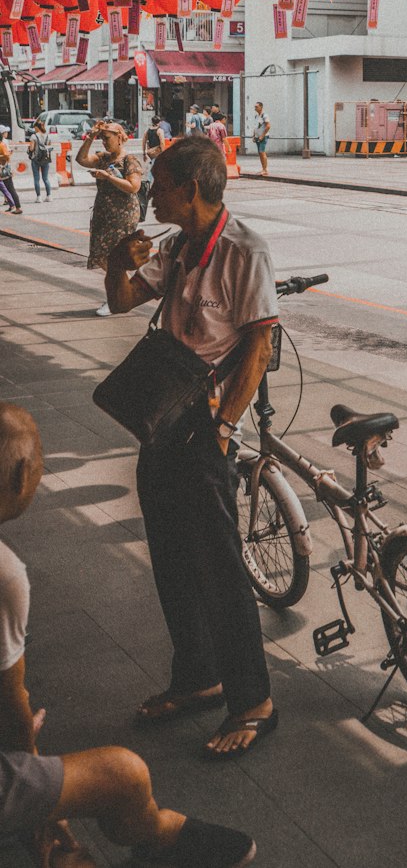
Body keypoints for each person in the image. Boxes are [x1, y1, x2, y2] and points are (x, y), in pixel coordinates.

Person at [0, 403, 256, 868]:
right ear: (21, 478)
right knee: (125, 774)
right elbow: (11, 700)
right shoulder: (4, 573)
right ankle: (135, 841)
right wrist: (33, 775)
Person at [105, 136, 278, 761]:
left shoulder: (243, 251)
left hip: (205, 428)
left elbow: (259, 343)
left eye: (159, 180)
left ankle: (254, 699)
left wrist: (226, 426)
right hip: (163, 425)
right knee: (172, 557)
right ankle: (198, 677)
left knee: (221, 568)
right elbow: (122, 300)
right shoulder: (178, 247)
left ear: (192, 188)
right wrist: (116, 260)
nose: (151, 190)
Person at [76, 121, 142, 317]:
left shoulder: (129, 160)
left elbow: (133, 187)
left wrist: (108, 177)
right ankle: (126, 289)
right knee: (99, 253)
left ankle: (115, 299)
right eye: (102, 138)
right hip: (104, 211)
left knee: (113, 256)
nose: (104, 142)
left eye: (107, 138)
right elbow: (81, 159)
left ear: (119, 137)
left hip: (123, 214)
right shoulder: (103, 158)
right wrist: (90, 136)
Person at [26, 121, 52, 204]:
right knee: (46, 178)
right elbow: (49, 146)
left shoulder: (34, 136)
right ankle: (49, 196)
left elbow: (31, 148)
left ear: (37, 127)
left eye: (35, 127)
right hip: (45, 159)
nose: (34, 129)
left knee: (36, 179)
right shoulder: (47, 135)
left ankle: (39, 197)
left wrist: (29, 149)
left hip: (36, 159)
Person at [0, 128, 22, 215]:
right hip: (5, 168)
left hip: (4, 170)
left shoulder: (1, 145)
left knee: (10, 189)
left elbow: (6, 156)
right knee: (9, 189)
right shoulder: (2, 144)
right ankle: (14, 206)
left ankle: (17, 207)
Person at [251, 102, 269, 176]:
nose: (255, 108)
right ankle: (263, 169)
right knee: (260, 153)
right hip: (257, 136)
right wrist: (254, 135)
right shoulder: (256, 116)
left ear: (261, 107)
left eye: (257, 107)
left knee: (262, 152)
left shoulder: (264, 115)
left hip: (263, 136)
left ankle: (265, 170)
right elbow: (255, 127)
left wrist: (262, 135)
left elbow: (268, 126)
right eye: (255, 107)